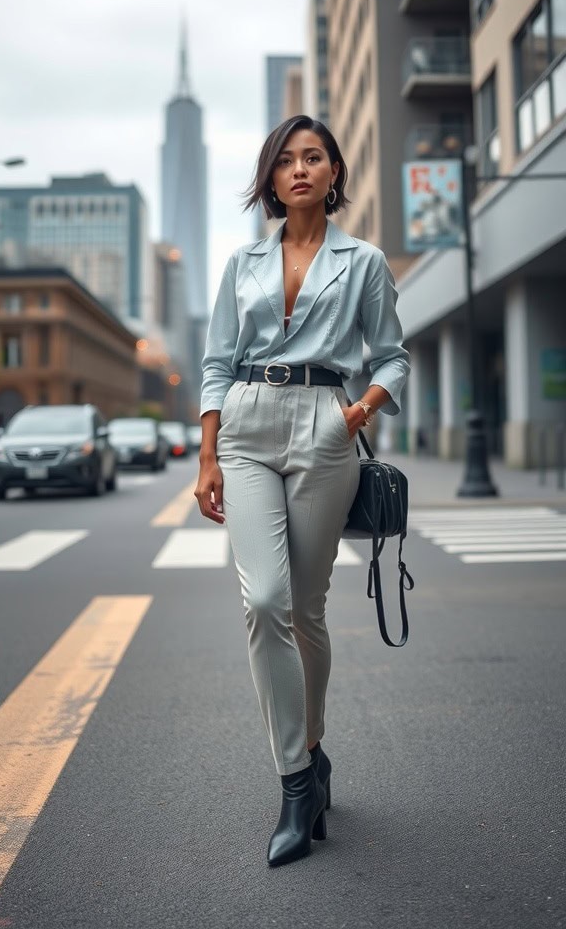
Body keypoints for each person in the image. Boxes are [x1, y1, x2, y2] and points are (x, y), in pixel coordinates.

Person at [195, 115, 410, 867]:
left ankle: (313, 755)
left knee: (307, 610)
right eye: (285, 160)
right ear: (270, 177)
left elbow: (393, 358)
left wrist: (358, 410)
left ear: (333, 172)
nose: (299, 170)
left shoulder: (364, 261)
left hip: (326, 422)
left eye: (312, 157)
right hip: (248, 425)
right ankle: (296, 780)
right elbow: (217, 360)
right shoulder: (242, 262)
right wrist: (208, 456)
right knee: (264, 603)